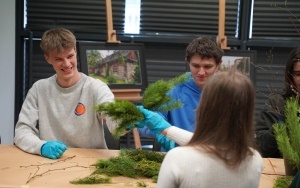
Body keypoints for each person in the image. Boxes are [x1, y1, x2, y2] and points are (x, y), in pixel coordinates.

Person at [136, 70, 263, 187]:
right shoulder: (255, 160)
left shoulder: (177, 158)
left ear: (205, 107)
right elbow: (216, 146)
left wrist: (165, 129)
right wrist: (167, 130)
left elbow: (208, 149)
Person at [14, 28, 118, 159]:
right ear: (48, 58)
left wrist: (126, 119)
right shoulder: (39, 89)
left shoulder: (96, 87)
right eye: (58, 59)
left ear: (75, 51)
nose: (67, 64)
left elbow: (113, 119)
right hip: (52, 162)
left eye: (70, 56)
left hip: (92, 162)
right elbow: (22, 131)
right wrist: (41, 147)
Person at [138, 36, 223, 151]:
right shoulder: (172, 91)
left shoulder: (227, 93)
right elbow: (148, 125)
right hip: (176, 157)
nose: (201, 72)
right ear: (188, 62)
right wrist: (158, 132)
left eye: (208, 67)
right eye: (196, 66)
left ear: (218, 65)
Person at [255, 47, 300, 158]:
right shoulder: (277, 103)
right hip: (282, 170)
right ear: (290, 76)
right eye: (298, 74)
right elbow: (261, 146)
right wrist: (282, 123)